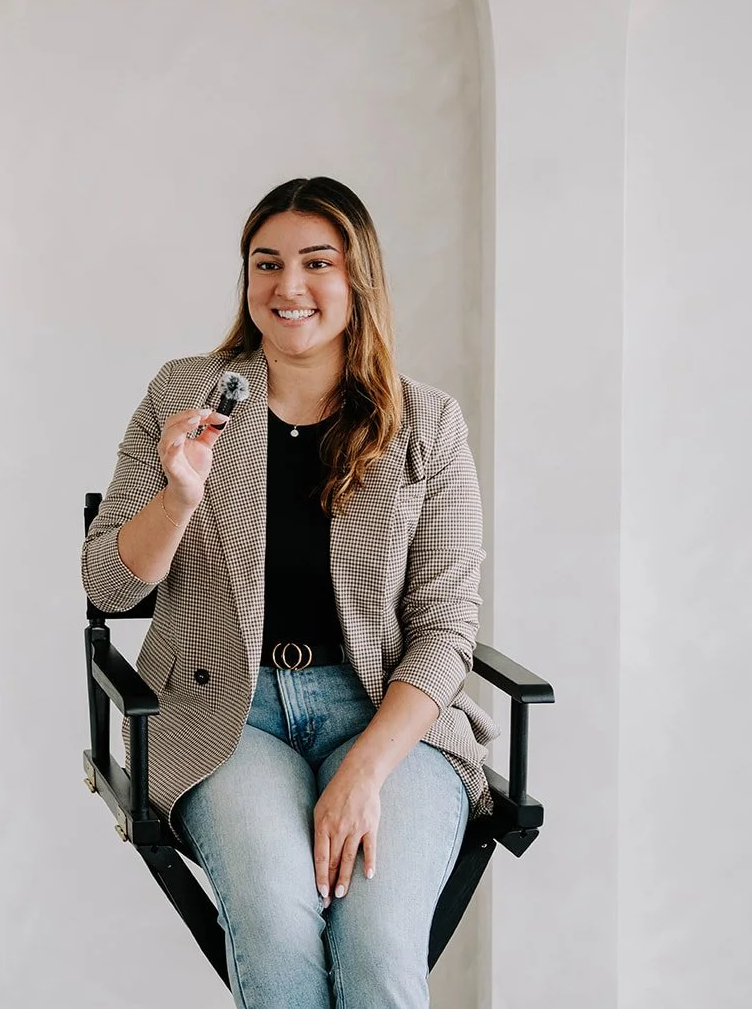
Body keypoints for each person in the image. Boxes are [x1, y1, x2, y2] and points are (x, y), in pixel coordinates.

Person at [81, 177, 496, 1008]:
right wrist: (179, 497)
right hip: (225, 715)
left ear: (358, 279)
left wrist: (365, 772)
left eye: (317, 262)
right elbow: (109, 582)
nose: (288, 286)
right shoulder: (182, 395)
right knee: (276, 929)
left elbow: (447, 625)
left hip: (385, 714)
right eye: (265, 263)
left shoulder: (428, 423)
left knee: (377, 947)